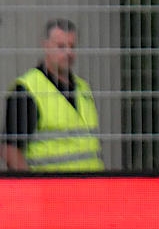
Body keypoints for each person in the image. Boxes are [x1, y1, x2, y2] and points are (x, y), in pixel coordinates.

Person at [3, 18, 104, 172]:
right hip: (52, 186)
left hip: (91, 185)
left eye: (72, 46)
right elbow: (10, 150)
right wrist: (32, 185)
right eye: (61, 47)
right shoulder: (27, 90)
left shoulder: (83, 88)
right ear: (46, 46)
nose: (68, 53)